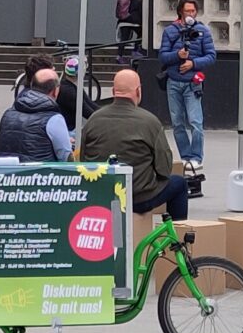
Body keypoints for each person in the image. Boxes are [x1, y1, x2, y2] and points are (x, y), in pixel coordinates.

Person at [78, 69, 190, 221]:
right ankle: (177, 238)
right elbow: (164, 169)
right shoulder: (149, 121)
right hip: (139, 198)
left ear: (113, 91)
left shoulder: (93, 120)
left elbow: (83, 160)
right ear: (138, 91)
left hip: (101, 194)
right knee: (180, 184)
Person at [157, 0, 216, 173]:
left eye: (193, 11)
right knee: (177, 122)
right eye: (187, 11)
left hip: (192, 83)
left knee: (196, 121)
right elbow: (163, 56)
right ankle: (185, 157)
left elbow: (211, 56)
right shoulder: (170, 31)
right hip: (174, 82)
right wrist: (178, 55)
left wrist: (193, 64)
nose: (191, 14)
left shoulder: (203, 31)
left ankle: (197, 157)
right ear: (180, 12)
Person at [0, 64, 75, 160]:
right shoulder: (54, 119)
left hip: (8, 173)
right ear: (55, 91)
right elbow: (66, 157)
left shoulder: (8, 114)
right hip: (42, 173)